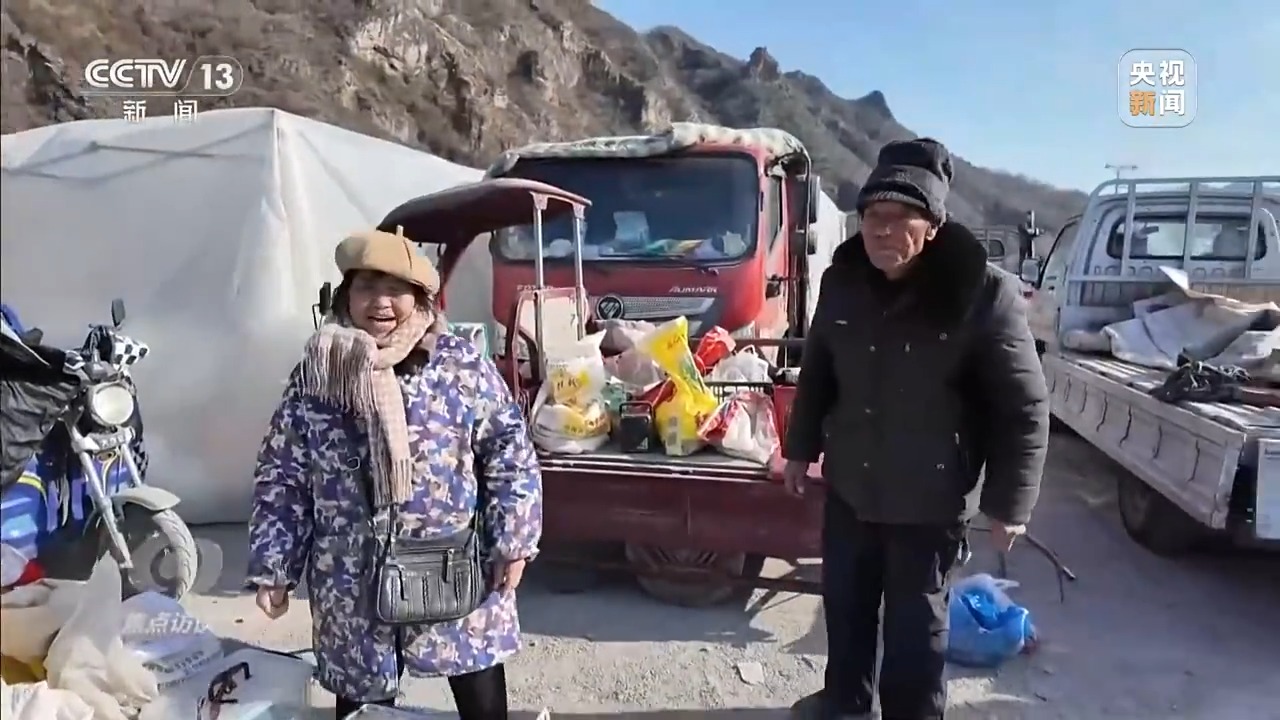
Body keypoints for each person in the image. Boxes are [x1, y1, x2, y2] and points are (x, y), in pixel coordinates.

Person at [782, 138, 1050, 720]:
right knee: (846, 605)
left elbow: (1023, 407)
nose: (881, 229)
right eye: (872, 214)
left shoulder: (983, 293)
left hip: (930, 497)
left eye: (900, 216)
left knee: (914, 624)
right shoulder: (842, 281)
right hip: (852, 483)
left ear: (933, 225)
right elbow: (819, 371)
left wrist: (1009, 505)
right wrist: (799, 450)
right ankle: (845, 701)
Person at [246, 229, 543, 720]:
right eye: (366, 286)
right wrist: (275, 566)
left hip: (450, 562)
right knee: (363, 703)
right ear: (346, 296)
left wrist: (514, 540)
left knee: (478, 689)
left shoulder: (458, 364)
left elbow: (508, 450)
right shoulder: (318, 372)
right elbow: (283, 475)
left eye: (395, 289)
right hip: (351, 576)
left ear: (420, 298)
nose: (380, 302)